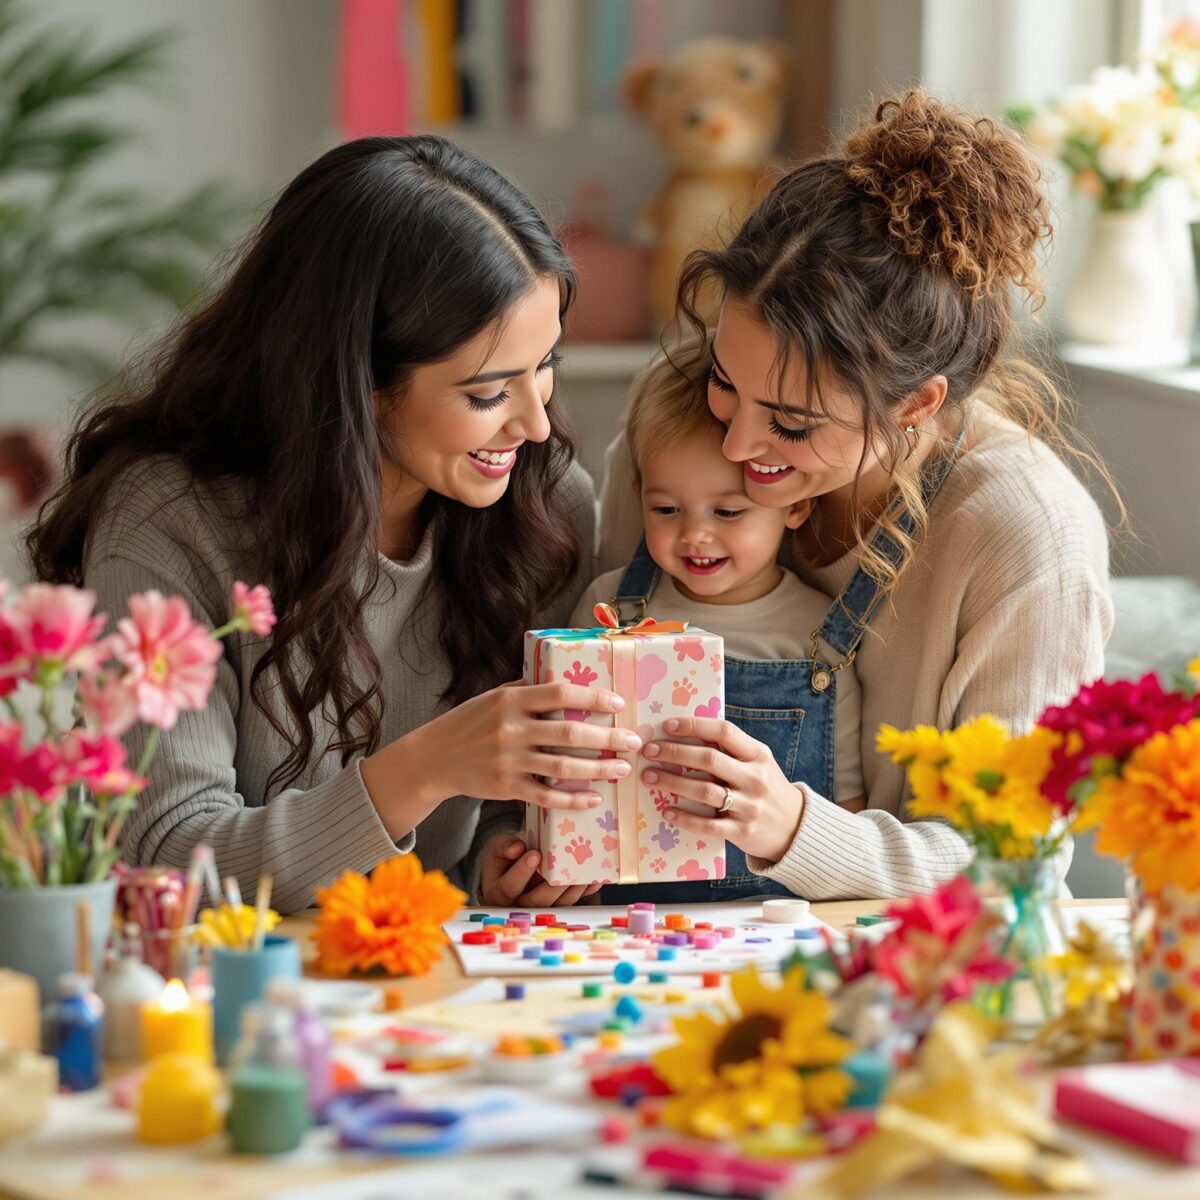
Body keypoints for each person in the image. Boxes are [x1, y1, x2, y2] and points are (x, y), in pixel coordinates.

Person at [28, 136, 642, 913]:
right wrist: (426, 768)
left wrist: (503, 859)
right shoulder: (171, 521)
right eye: (487, 394)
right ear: (360, 387)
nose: (536, 425)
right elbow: (170, 860)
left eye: (545, 364)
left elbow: (499, 811)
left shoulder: (545, 506)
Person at [598, 90, 1114, 898]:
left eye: (794, 425)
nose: (735, 447)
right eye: (726, 384)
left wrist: (793, 830)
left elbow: (1012, 859)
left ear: (918, 406)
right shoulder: (675, 415)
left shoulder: (1025, 532)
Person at [572, 334, 865, 901]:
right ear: (638, 497)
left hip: (766, 923)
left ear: (796, 505)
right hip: (615, 916)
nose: (695, 534)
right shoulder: (610, 609)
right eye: (666, 509)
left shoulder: (822, 638)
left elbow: (846, 806)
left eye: (728, 511)